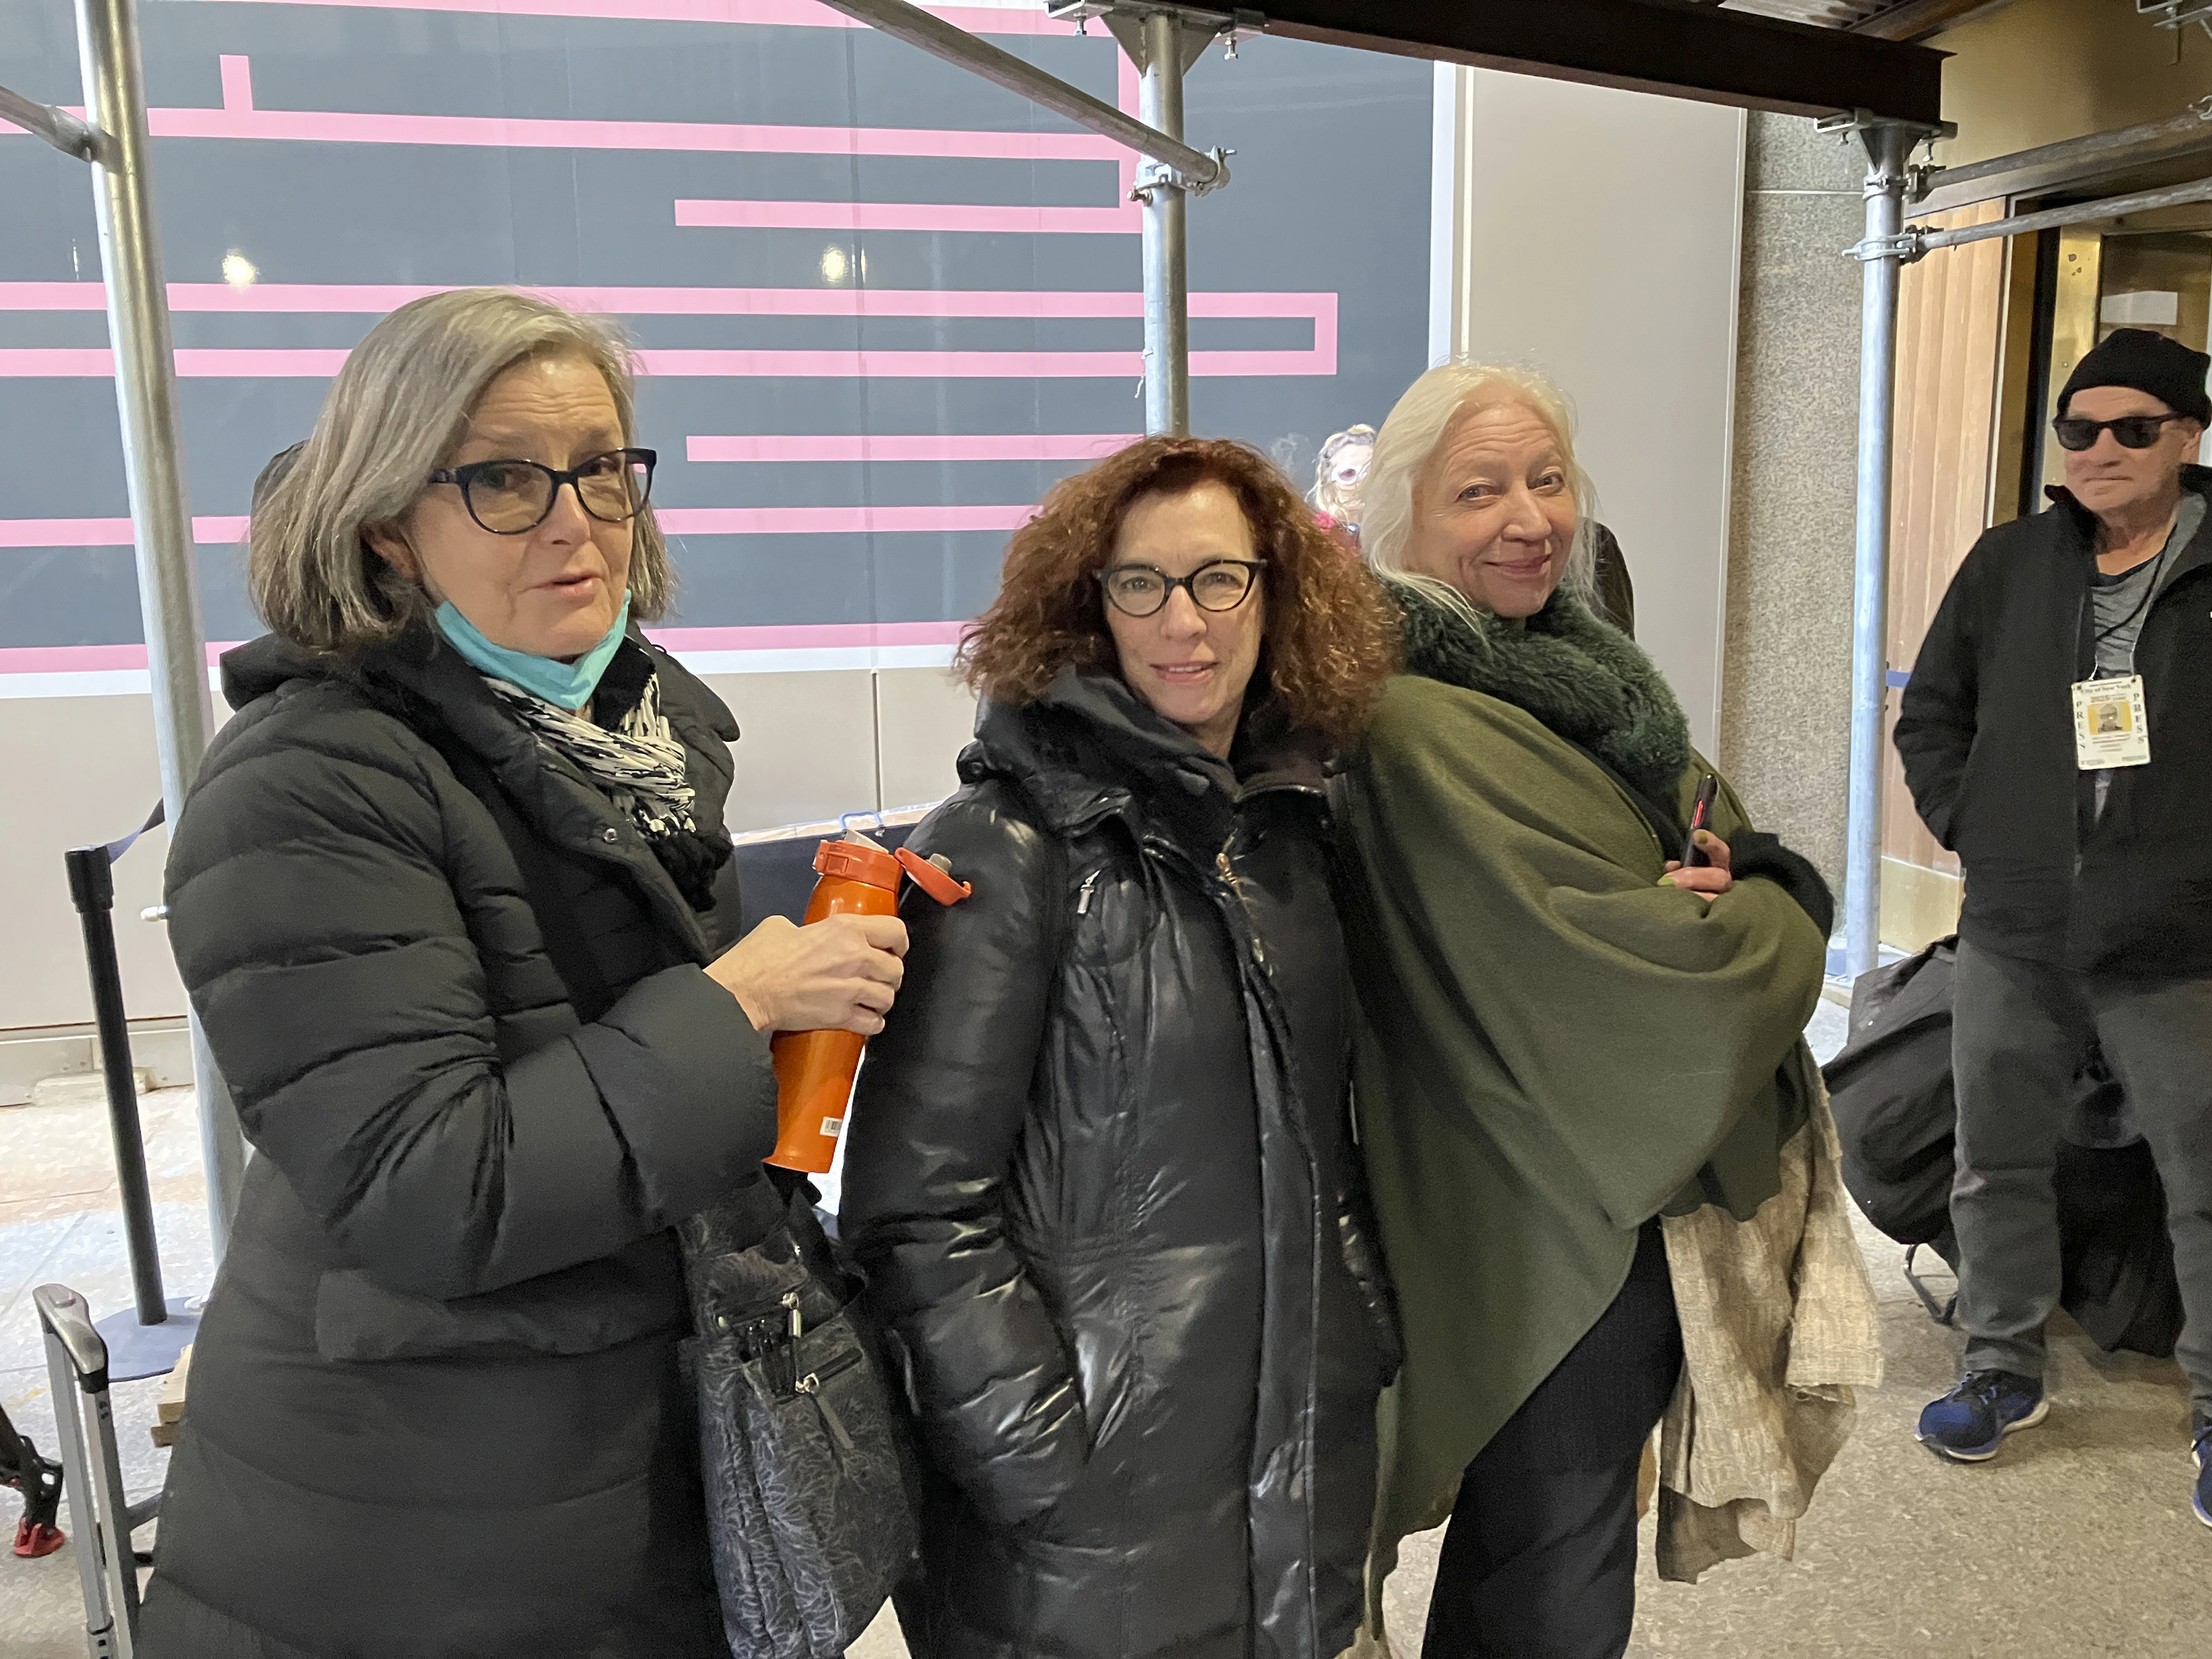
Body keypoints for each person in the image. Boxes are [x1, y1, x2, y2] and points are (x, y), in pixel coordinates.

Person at [138, 288, 909, 1656]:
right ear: (388, 522)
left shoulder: (640, 737)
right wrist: (734, 1008)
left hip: (613, 1480)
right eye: (505, 476)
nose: (575, 516)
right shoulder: (306, 787)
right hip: (420, 1530)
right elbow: (430, 1184)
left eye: (602, 467)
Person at [1338, 362, 1878, 1656]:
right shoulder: (1415, 722)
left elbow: (1711, 839)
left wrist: (1738, 877)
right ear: (1399, 524)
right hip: (1545, 1215)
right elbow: (1673, 990)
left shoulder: (1571, 677)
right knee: (1553, 1553)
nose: (1529, 516)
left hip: (1602, 1198)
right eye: (1479, 491)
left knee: (1545, 1534)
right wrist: (1783, 903)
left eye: (1547, 479)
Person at [838, 437, 1401, 1659]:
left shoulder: (1292, 831)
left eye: (1218, 579)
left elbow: (1325, 1132)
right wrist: (1038, 1455)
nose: (1181, 621)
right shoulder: (1003, 844)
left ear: (1275, 591)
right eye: (1138, 583)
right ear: (1085, 608)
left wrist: (1359, 1327)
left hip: (1293, 1444)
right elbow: (914, 1208)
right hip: (1086, 1505)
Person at [1895, 325, 2212, 1523]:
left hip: (2178, 935)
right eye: (2077, 429)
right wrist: (1975, 824)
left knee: (2203, 1175)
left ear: (2187, 436)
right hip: (2018, 923)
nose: (2098, 449)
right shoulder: (2009, 562)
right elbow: (1933, 711)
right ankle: (2000, 1366)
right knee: (1995, 1159)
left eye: (2133, 428)